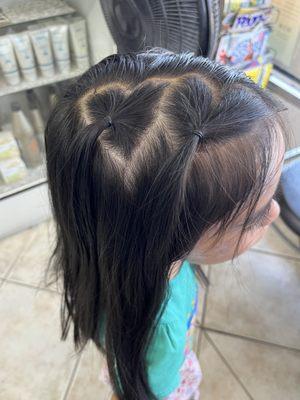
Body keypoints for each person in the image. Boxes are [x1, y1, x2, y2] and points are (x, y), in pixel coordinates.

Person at [44, 47, 292, 400]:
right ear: (169, 233)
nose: (274, 213)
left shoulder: (102, 246)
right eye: (255, 213)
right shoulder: (159, 334)